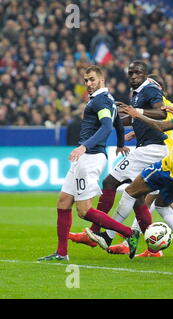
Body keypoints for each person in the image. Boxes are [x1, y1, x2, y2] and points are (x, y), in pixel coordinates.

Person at [85, 81, 173, 259]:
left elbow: (161, 126)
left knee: (130, 191)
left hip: (172, 167)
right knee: (162, 205)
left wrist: (138, 114)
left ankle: (108, 236)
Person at [68, 61, 168, 249]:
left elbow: (161, 114)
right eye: (130, 72)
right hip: (146, 147)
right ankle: (153, 249)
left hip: (151, 149)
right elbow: (131, 118)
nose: (132, 76)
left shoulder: (150, 90)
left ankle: (97, 232)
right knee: (137, 196)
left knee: (110, 182)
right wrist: (117, 120)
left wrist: (135, 113)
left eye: (137, 72)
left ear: (146, 74)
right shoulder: (137, 93)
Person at [38, 65, 125, 261]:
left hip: (90, 156)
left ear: (101, 80)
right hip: (86, 156)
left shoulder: (101, 101)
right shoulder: (107, 100)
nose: (88, 84)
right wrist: (120, 144)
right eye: (86, 80)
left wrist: (84, 146)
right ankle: (61, 253)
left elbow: (107, 126)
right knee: (63, 201)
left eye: (92, 79)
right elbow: (118, 123)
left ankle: (129, 233)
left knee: (84, 211)